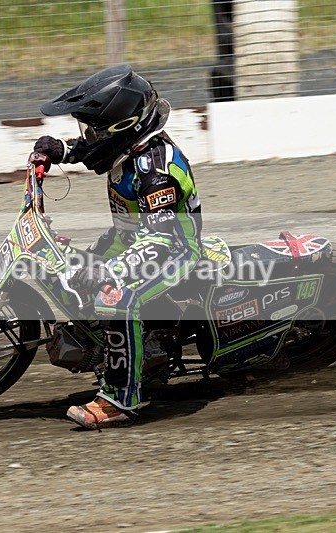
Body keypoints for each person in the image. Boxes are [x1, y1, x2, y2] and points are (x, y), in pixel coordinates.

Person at [31, 65, 202, 429]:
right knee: (70, 269)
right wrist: (59, 150)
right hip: (130, 240)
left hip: (174, 251)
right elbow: (97, 147)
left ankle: (121, 399)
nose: (89, 137)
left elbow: (161, 242)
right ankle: (119, 348)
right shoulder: (130, 146)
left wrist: (110, 272)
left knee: (114, 297)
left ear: (123, 126)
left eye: (94, 129)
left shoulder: (157, 173)